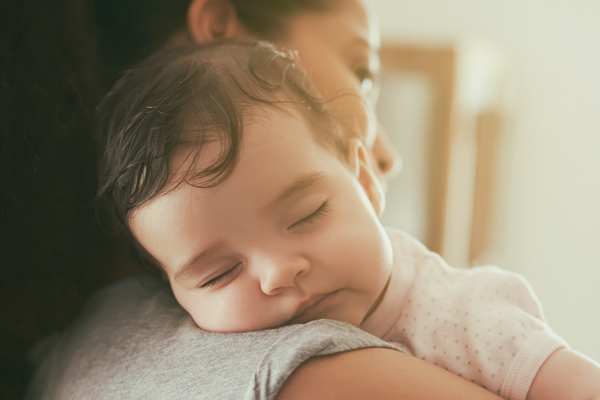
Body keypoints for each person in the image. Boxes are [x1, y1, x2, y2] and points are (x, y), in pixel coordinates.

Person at [89, 40, 599, 399]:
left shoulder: (468, 316)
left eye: (307, 215)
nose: (278, 273)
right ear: (172, 294)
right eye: (219, 274)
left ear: (365, 178)